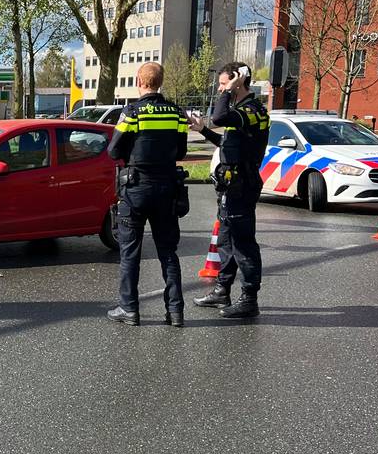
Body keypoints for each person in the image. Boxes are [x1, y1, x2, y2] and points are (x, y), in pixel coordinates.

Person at [106, 62, 188, 328]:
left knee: (130, 253)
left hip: (136, 190)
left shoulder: (131, 112)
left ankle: (129, 309)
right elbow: (182, 152)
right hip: (166, 189)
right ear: (160, 81)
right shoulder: (176, 113)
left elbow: (113, 151)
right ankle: (175, 312)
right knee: (168, 252)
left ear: (139, 81)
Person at [189, 62, 270, 319]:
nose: (221, 88)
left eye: (224, 83)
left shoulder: (252, 110)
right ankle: (222, 290)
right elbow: (226, 142)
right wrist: (203, 131)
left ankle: (249, 298)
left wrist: (228, 90)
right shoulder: (241, 111)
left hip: (242, 185)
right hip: (231, 184)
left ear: (239, 80)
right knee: (225, 239)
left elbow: (219, 117)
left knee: (243, 243)